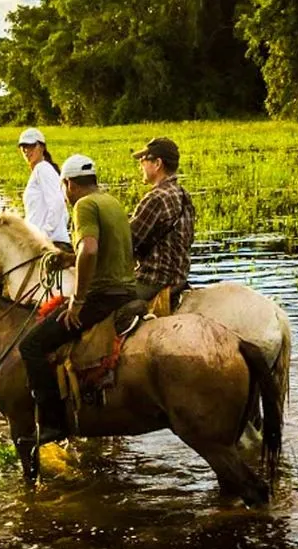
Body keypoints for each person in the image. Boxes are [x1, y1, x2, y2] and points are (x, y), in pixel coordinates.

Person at [17, 155, 140, 445]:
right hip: (126, 290)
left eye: (65, 187)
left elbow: (91, 250)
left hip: (101, 297)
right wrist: (68, 259)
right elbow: (101, 251)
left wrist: (78, 300)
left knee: (31, 345)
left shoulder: (83, 205)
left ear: (68, 184)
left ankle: (53, 424)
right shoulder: (111, 202)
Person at [127, 137, 195, 310]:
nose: (140, 164)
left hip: (153, 279)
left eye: (143, 160)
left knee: (103, 303)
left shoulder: (156, 198)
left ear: (157, 163)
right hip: (179, 277)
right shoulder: (183, 194)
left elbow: (127, 241)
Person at [17, 128, 71, 250]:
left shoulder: (43, 168)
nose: (26, 151)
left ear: (41, 147)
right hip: (42, 243)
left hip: (49, 243)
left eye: (31, 146)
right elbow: (65, 214)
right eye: (23, 147)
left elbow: (58, 203)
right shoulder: (41, 170)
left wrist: (44, 235)